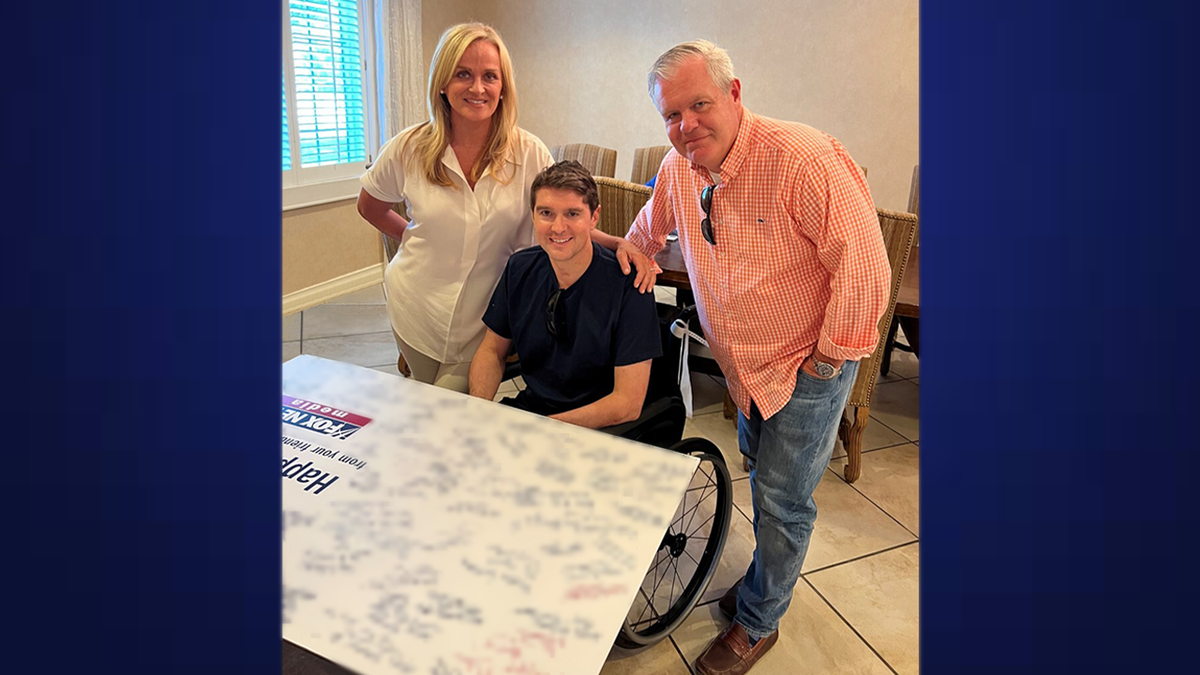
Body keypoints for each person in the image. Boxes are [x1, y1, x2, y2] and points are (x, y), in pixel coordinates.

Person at [591, 40, 892, 674]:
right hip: (742, 369)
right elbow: (647, 229)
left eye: (698, 104)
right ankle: (765, 582)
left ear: (734, 93)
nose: (685, 126)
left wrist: (828, 360)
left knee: (783, 499)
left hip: (804, 365)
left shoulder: (801, 157)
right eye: (670, 115)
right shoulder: (679, 169)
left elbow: (866, 267)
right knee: (761, 474)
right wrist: (638, 250)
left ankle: (759, 621)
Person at [356, 23, 552, 393]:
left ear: (503, 86)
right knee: (431, 412)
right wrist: (412, 234)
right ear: (443, 83)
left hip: (484, 323)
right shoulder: (408, 147)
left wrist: (620, 244)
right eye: (463, 74)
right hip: (415, 309)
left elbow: (563, 224)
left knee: (448, 418)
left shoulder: (530, 154)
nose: (478, 88)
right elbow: (370, 205)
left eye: (489, 76)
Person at [468, 161, 661, 429]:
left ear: (594, 218)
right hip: (536, 412)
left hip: (603, 427)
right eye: (546, 213)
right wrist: (478, 409)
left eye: (572, 214)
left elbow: (626, 403)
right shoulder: (520, 268)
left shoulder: (630, 283)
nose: (558, 228)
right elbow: (491, 351)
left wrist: (542, 430)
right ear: (533, 215)